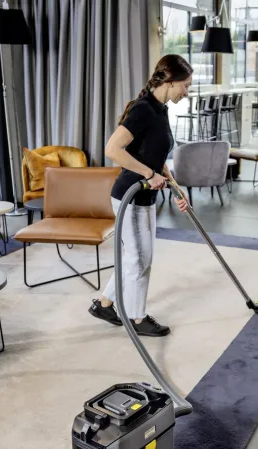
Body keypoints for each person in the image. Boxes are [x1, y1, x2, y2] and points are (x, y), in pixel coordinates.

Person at [88, 54, 193, 337]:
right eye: (185, 85)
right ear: (170, 81)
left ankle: (104, 304)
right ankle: (137, 318)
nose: (186, 92)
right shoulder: (143, 109)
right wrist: (148, 174)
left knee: (137, 257)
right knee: (139, 259)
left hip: (145, 197)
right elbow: (113, 149)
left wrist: (175, 187)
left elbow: (156, 157)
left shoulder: (160, 110)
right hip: (130, 197)